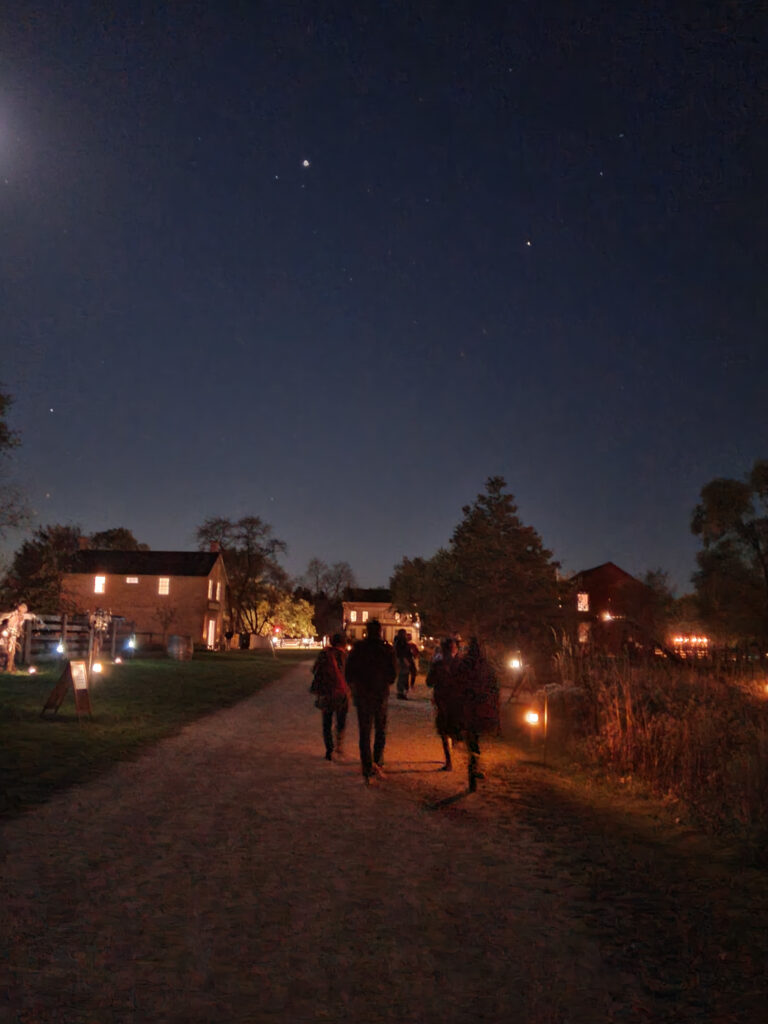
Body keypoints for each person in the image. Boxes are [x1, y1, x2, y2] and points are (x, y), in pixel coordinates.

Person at [345, 619, 397, 783]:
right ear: (380, 631)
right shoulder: (386, 649)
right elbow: (392, 674)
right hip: (380, 693)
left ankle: (367, 766)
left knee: (365, 731)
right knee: (380, 728)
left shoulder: (358, 649)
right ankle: (378, 761)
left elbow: (349, 672)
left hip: (363, 694)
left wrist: (356, 685)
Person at [455, 636, 500, 792]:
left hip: (469, 707)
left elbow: (457, 684)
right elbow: (494, 687)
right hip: (480, 707)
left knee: (471, 737)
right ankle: (474, 763)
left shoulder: (464, 665)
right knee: (475, 738)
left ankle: (473, 763)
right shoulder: (486, 666)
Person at [309, 633, 349, 761]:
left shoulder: (324, 654)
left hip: (326, 692)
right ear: (344, 643)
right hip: (342, 693)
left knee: (327, 722)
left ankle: (329, 749)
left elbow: (314, 670)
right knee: (340, 721)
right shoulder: (345, 656)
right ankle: (339, 745)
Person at [425, 636, 462, 770]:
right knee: (455, 728)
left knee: (444, 731)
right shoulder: (462, 665)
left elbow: (429, 682)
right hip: (457, 702)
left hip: (443, 700)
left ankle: (449, 761)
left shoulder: (438, 664)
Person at [393, 627, 414, 700]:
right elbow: (401, 652)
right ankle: (400, 692)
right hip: (403, 660)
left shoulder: (400, 641)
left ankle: (402, 692)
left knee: (404, 675)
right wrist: (405, 660)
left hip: (403, 659)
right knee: (403, 675)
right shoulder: (400, 642)